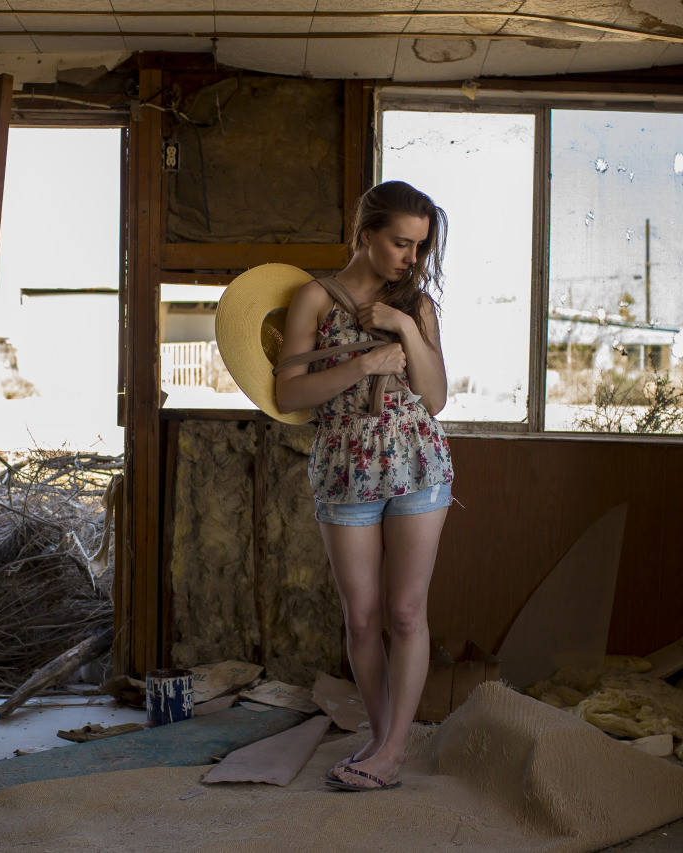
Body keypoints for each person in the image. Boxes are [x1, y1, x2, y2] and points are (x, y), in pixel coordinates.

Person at [274, 181, 454, 792]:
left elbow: (435, 397)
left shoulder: (418, 306)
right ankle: (380, 741)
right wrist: (361, 364)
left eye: (420, 247)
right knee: (362, 618)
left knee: (406, 611)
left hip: (417, 464)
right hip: (345, 464)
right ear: (365, 234)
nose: (411, 258)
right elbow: (288, 394)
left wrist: (403, 325)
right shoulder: (313, 301)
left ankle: (392, 752)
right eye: (400, 243)